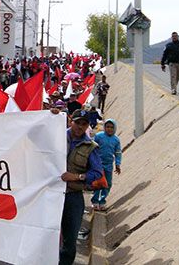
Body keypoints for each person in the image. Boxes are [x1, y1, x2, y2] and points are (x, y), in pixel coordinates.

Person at [59, 109, 103, 265]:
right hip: (50, 195)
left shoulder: (91, 147)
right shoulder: (56, 135)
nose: (79, 126)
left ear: (87, 126)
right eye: (77, 122)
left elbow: (97, 173)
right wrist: (49, 116)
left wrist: (77, 177)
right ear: (71, 120)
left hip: (72, 197)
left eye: (83, 124)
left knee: (70, 241)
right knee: (44, 235)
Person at [91, 119, 122, 211]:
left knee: (107, 183)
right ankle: (95, 201)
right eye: (107, 127)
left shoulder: (116, 140)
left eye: (112, 127)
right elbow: (92, 148)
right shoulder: (98, 136)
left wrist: (118, 164)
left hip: (108, 165)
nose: (109, 129)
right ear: (104, 127)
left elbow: (118, 152)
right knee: (98, 182)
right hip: (98, 164)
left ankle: (102, 201)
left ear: (115, 128)